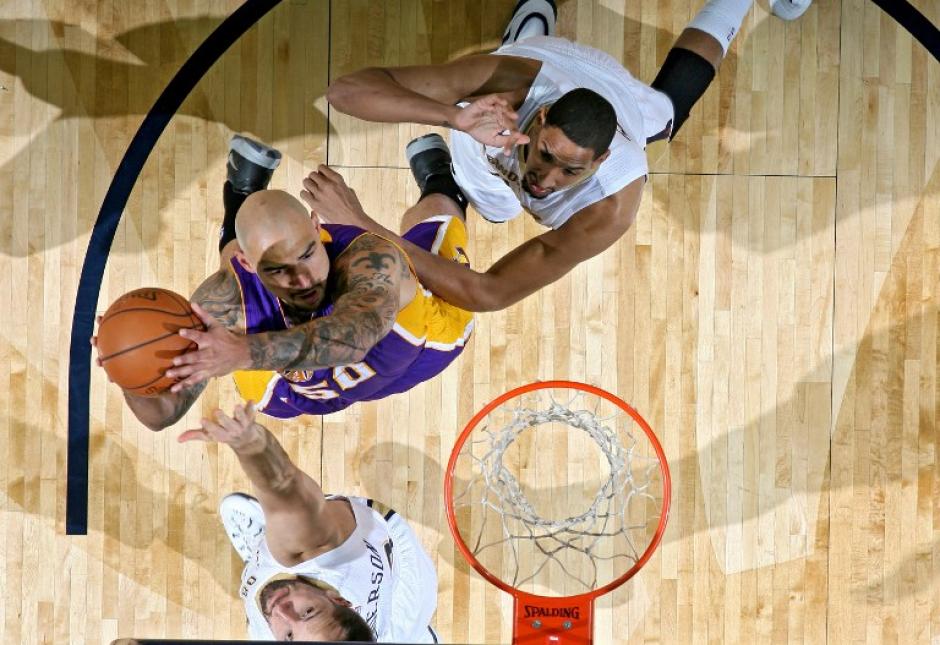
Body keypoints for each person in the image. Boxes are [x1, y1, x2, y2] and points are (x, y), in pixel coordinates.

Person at [322, 0, 813, 312]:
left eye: (570, 170)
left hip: (609, 87)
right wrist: (448, 116)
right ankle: (527, 32)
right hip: (538, 67)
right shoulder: (507, 86)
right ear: (537, 123)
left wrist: (364, 223)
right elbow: (346, 90)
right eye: (546, 153)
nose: (545, 178)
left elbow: (489, 293)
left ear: (599, 163)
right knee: (497, 205)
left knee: (666, 111)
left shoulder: (612, 204)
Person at [94, 135, 474, 430]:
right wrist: (127, 363)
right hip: (288, 392)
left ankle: (441, 181)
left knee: (437, 232)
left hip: (416, 351)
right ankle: (241, 201)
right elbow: (160, 414)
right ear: (250, 262)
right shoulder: (223, 299)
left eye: (307, 253)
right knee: (235, 293)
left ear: (316, 226)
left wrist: (243, 352)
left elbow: (355, 337)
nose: (302, 278)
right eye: (278, 269)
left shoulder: (372, 260)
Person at [180, 401, 438, 642]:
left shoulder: (270, 631)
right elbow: (284, 486)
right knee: (289, 530)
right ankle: (269, 541)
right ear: (337, 599)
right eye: (308, 612)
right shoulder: (321, 550)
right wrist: (249, 443)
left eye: (289, 636)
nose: (282, 611)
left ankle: (268, 547)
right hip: (400, 586)